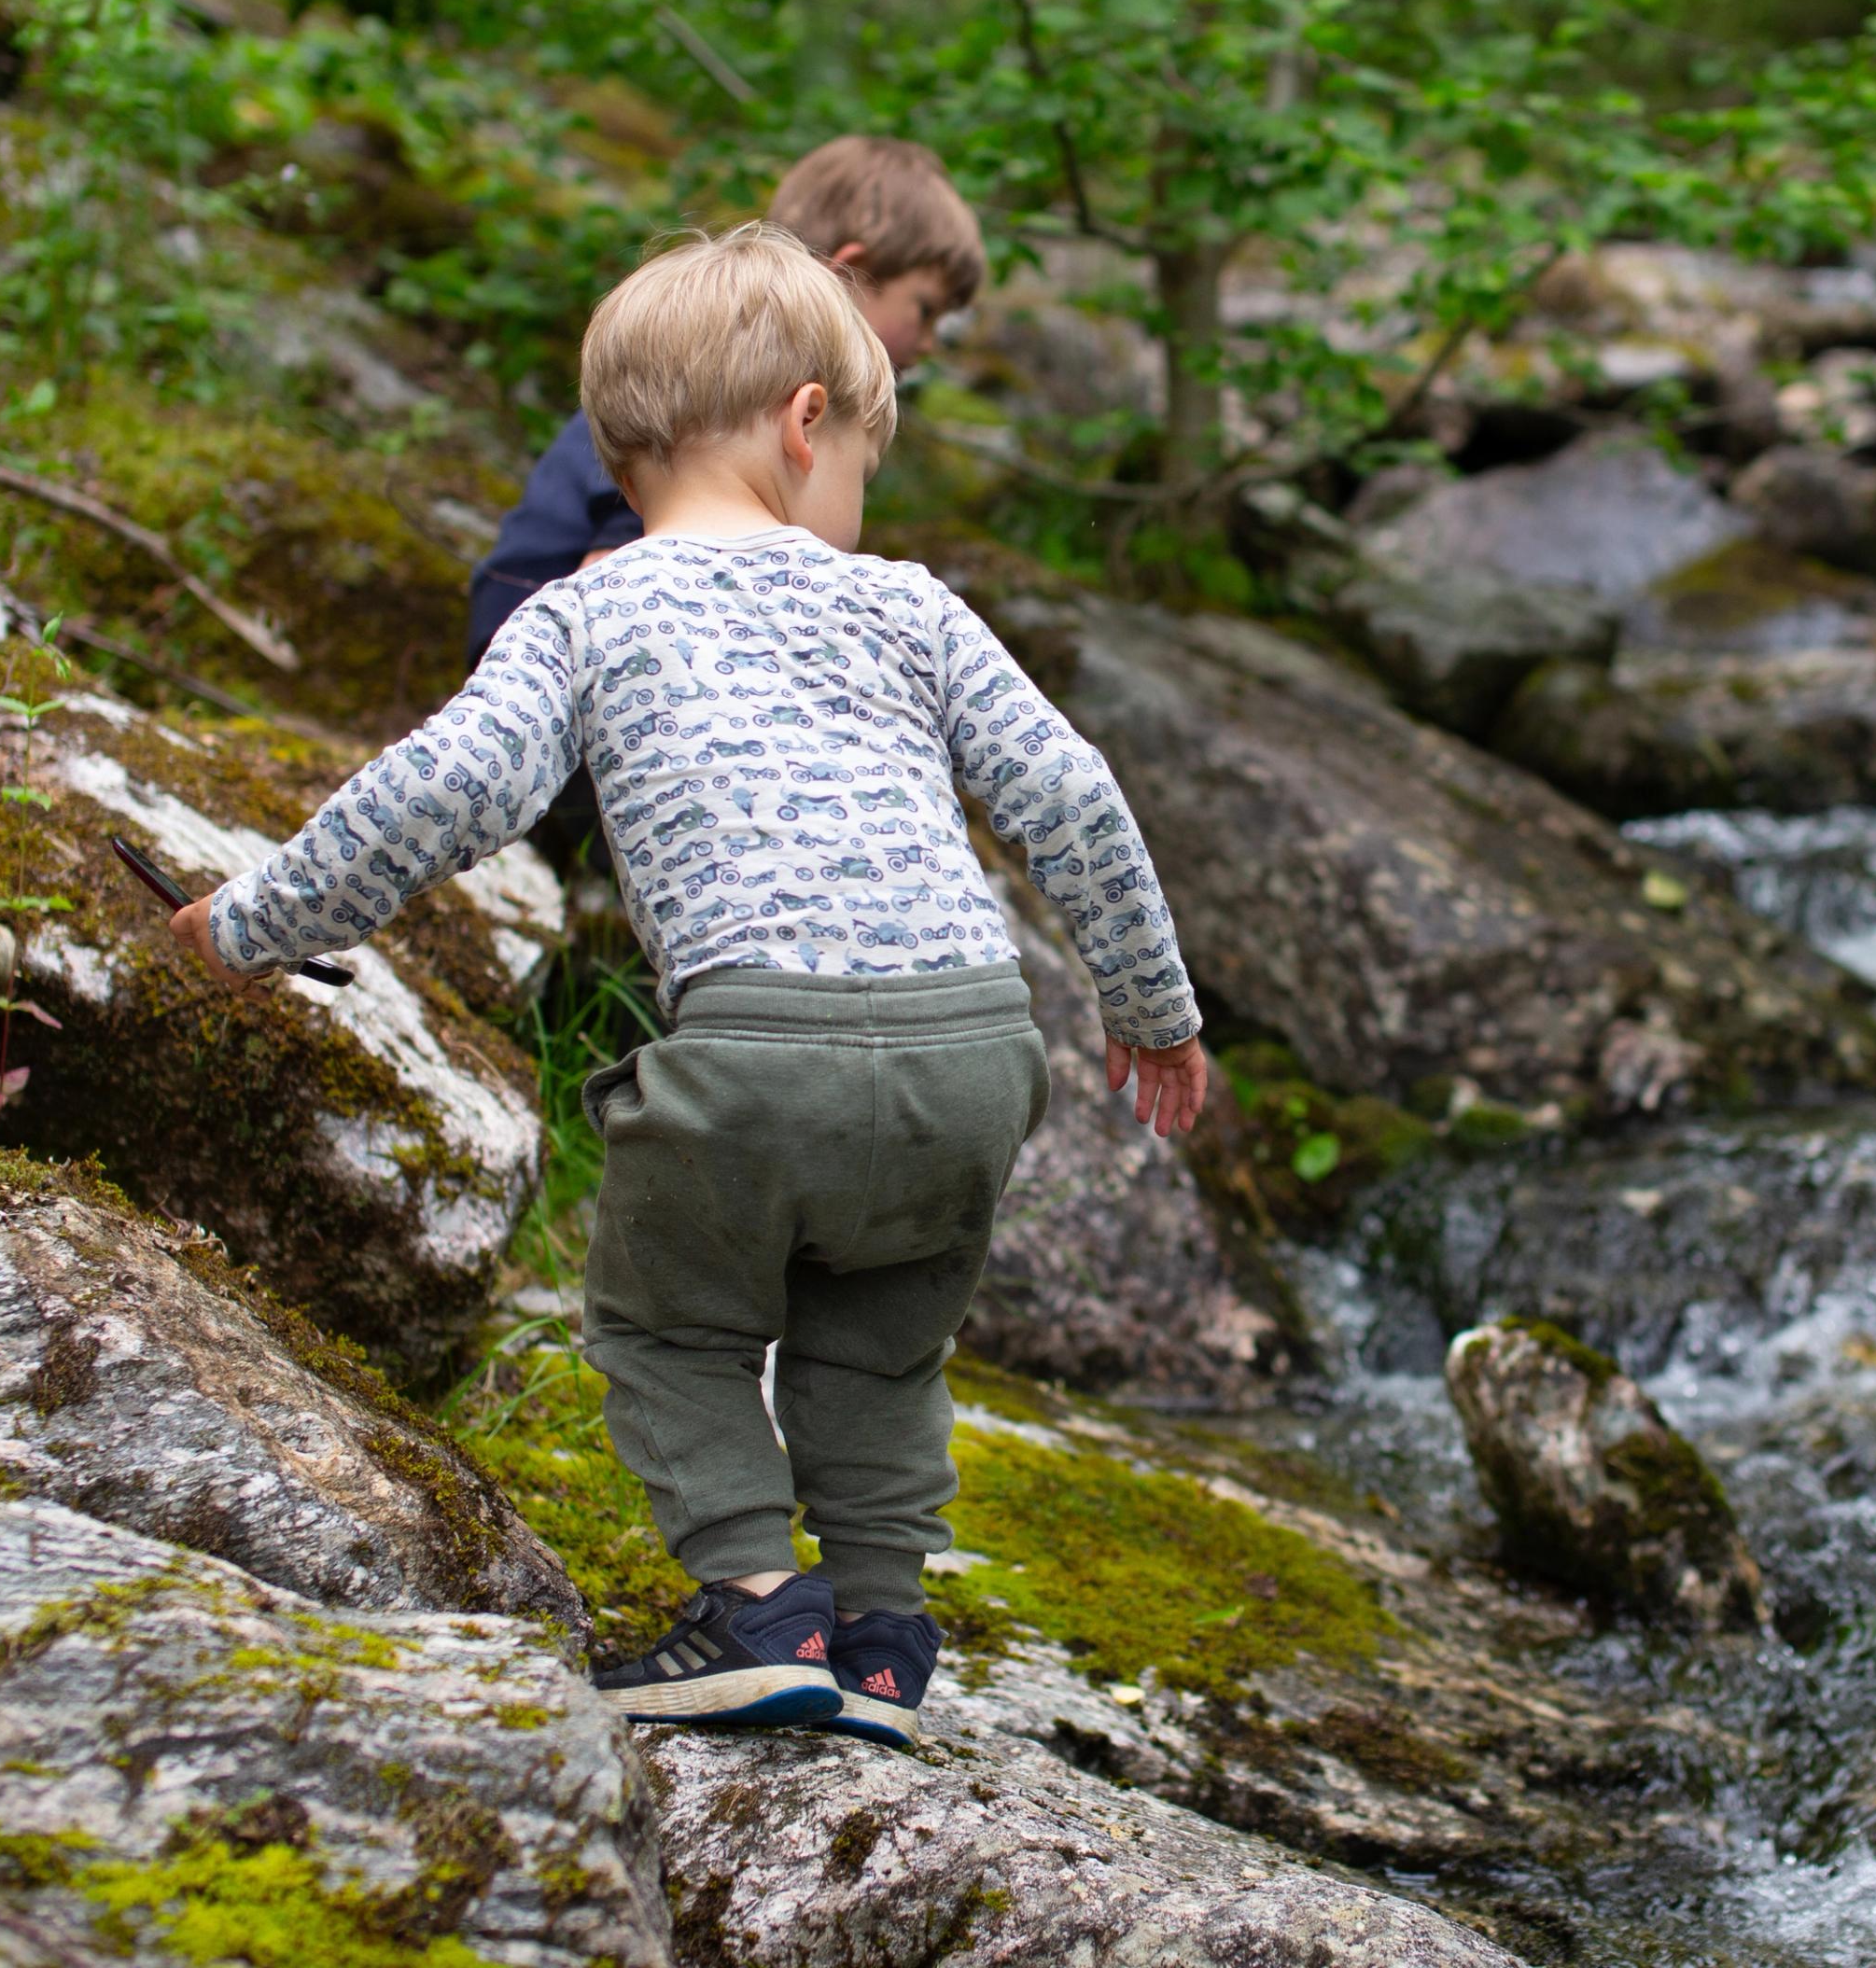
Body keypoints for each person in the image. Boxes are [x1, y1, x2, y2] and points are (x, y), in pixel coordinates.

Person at [164, 223, 1208, 1750]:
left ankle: (751, 1607)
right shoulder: (913, 608)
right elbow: (1074, 795)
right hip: (977, 1051)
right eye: (863, 451)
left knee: (669, 1326)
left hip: (760, 1054)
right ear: (804, 424)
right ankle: (882, 1635)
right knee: (881, 1340)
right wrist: (1153, 1009)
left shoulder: (585, 612)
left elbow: (442, 791)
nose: (859, 497)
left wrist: (248, 924)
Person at [462, 134, 987, 662]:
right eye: (925, 309)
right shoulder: (710, 418)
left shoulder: (725, 391)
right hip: (532, 638)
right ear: (851, 275)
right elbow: (616, 584)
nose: (928, 343)